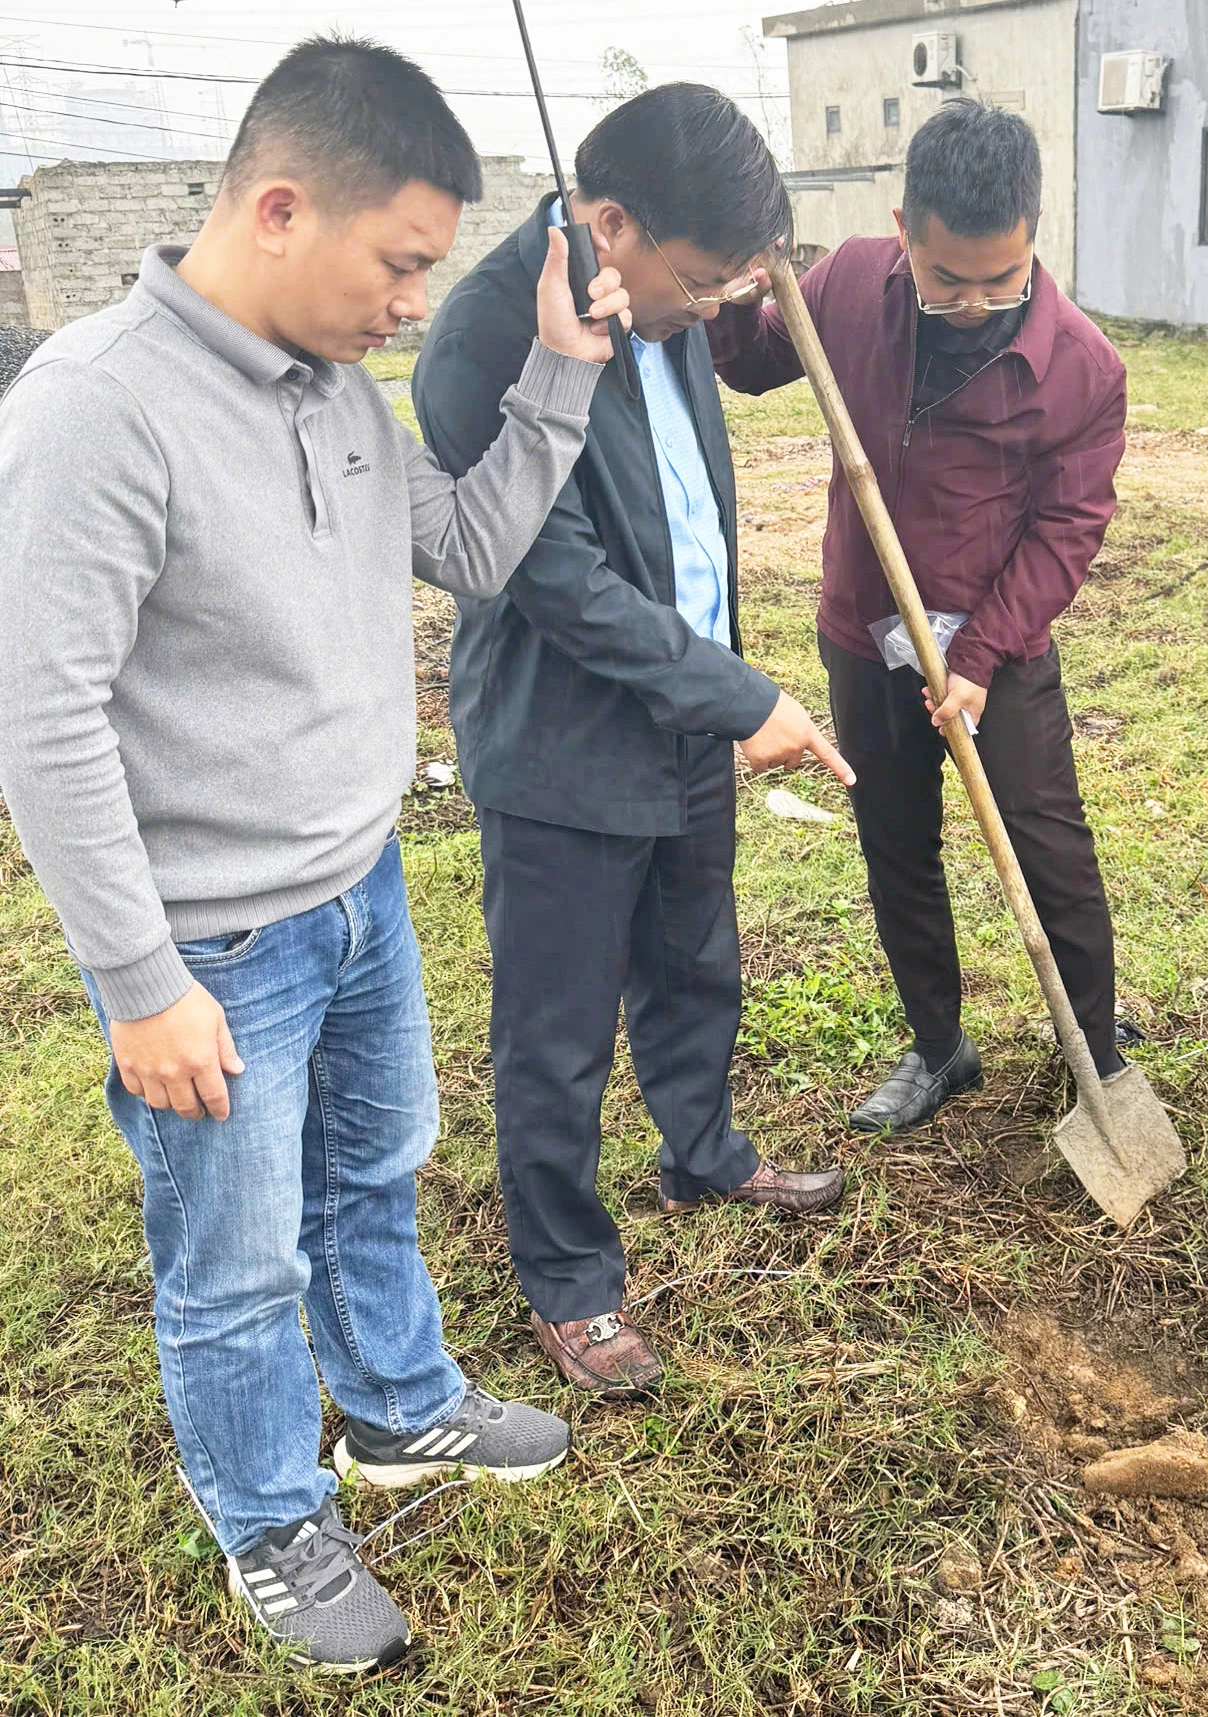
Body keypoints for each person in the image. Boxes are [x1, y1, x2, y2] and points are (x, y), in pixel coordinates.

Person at [0, 37, 628, 1673]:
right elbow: (42, 722)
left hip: (360, 891)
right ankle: (271, 1513)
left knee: (374, 1171)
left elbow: (477, 548)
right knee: (229, 1255)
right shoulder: (93, 410)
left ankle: (403, 1409)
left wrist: (560, 369)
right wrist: (140, 985)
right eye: (403, 261)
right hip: (211, 943)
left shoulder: (337, 393)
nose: (415, 302)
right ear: (281, 207)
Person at [412, 84, 852, 1399]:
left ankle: (704, 1148)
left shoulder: (658, 304)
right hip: (565, 740)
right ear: (611, 225)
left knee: (690, 951)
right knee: (555, 1027)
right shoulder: (490, 337)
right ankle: (567, 1274)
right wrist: (738, 697)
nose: (716, 309)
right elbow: (558, 585)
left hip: (688, 709)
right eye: (705, 280)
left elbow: (680, 511)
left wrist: (714, 690)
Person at [711, 98, 1134, 1135]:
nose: (978, 302)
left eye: (1004, 275)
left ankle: (1099, 1058)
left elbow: (1066, 529)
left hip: (997, 645)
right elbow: (760, 357)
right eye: (950, 279)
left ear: (1035, 235)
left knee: (1049, 846)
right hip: (864, 625)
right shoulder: (851, 280)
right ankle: (940, 1047)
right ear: (904, 230)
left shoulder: (1079, 365)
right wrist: (732, 292)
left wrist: (983, 651)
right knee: (894, 840)